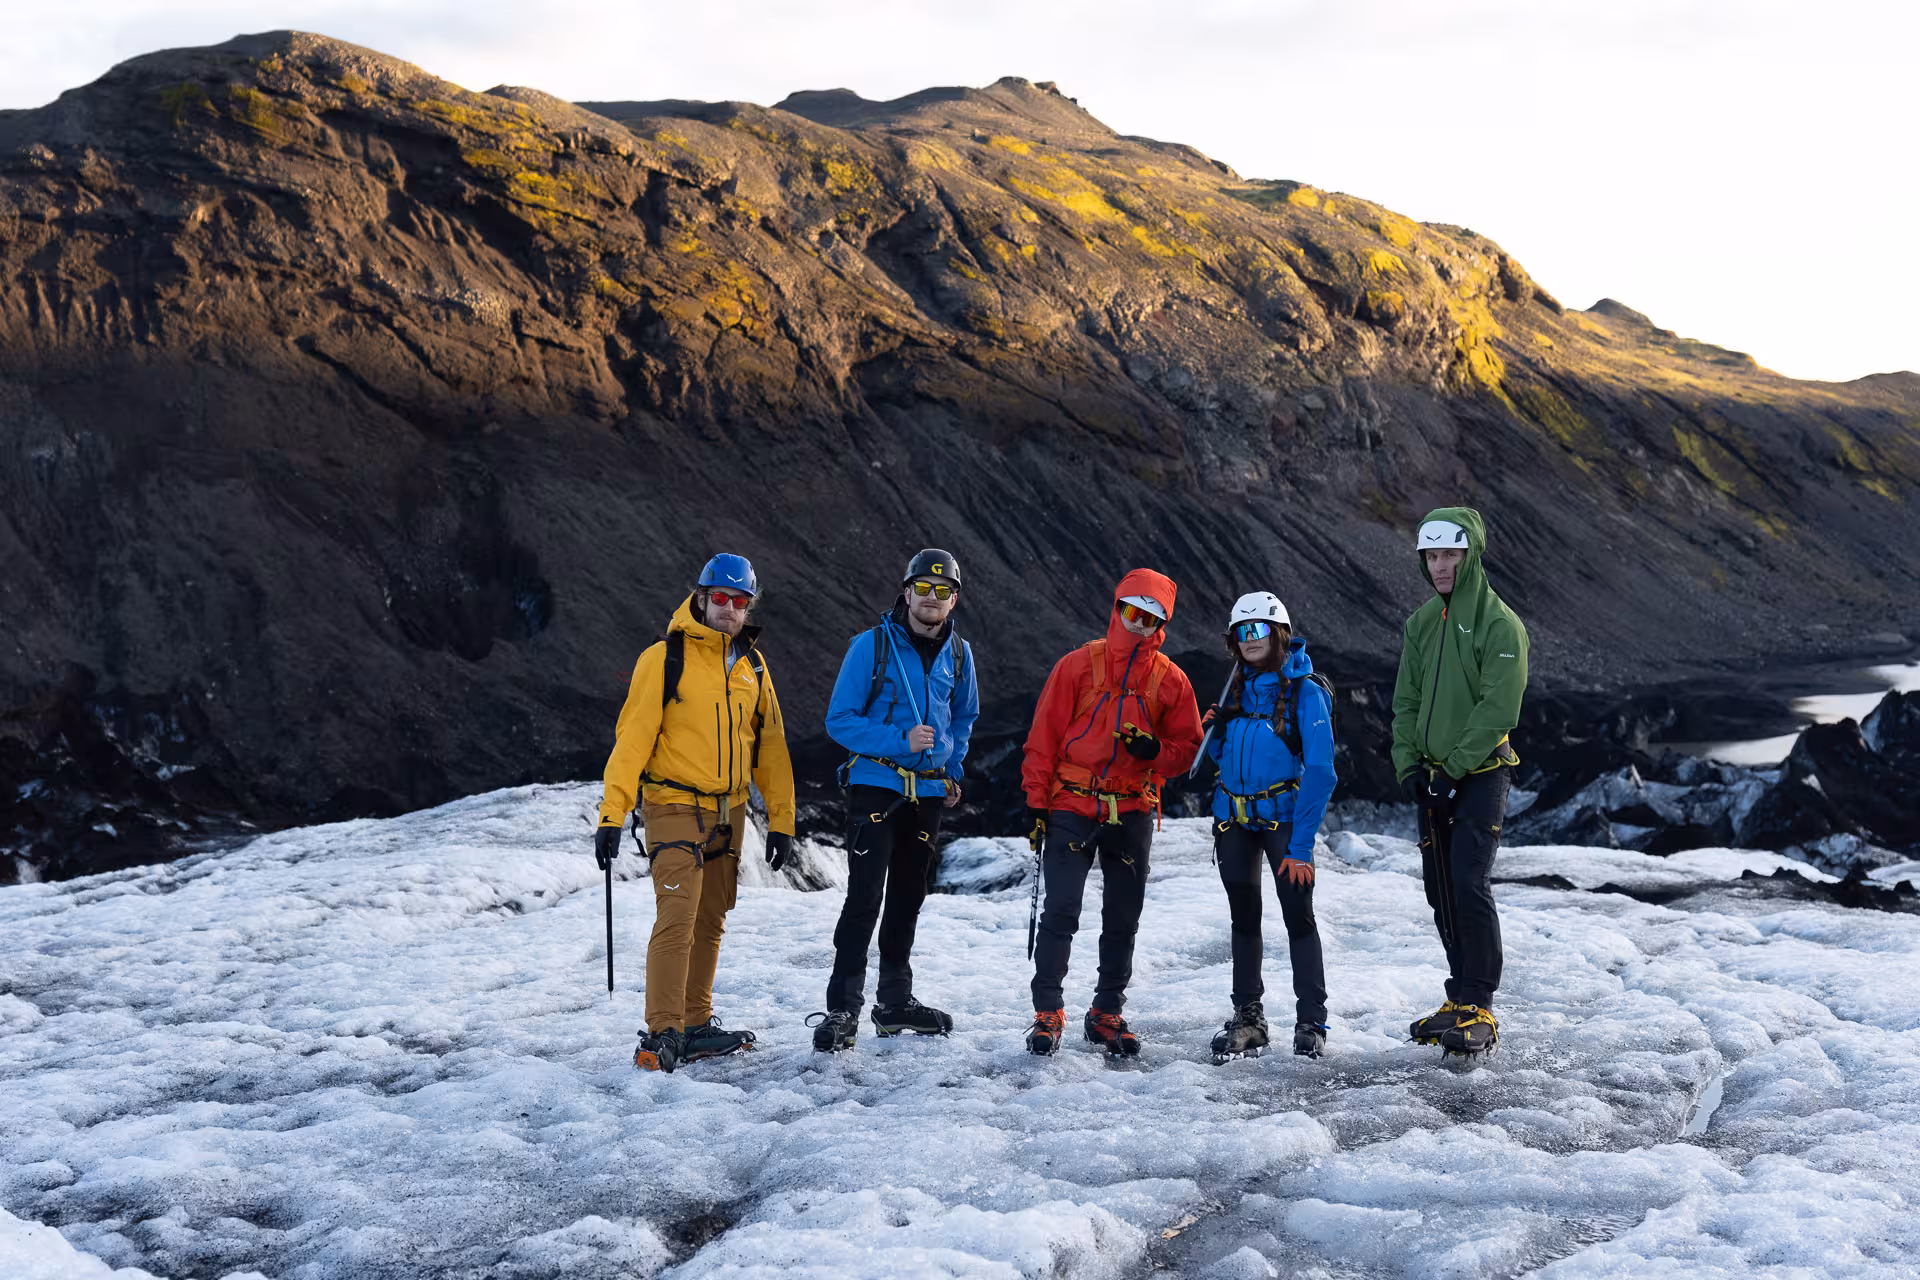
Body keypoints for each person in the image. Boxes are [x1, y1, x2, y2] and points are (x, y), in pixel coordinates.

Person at [595, 553, 797, 1073]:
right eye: (721, 598)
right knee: (678, 917)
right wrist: (612, 813)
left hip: (730, 812)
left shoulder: (753, 665)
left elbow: (770, 747)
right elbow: (632, 739)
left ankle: (694, 1023)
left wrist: (782, 819)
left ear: (749, 606)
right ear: (702, 598)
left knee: (709, 920)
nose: (729, 609)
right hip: (673, 804)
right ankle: (662, 1031)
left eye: (740, 601)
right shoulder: (664, 660)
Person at [1021, 569, 1203, 1057]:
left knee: (1122, 916)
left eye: (1151, 617)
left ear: (1162, 621)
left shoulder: (1171, 680)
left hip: (1132, 807)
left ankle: (1107, 1011)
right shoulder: (1076, 667)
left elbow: (1188, 749)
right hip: (1071, 803)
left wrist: (1153, 751)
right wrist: (1037, 804)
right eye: (1132, 612)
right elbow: (1043, 739)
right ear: (1117, 607)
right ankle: (1048, 1012)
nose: (1139, 624)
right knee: (1060, 909)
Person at [809, 549, 980, 1052]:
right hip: (877, 786)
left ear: (954, 599)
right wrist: (900, 741)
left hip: (926, 792)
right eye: (922, 589)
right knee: (864, 899)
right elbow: (839, 720)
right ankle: (843, 1010)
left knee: (908, 898)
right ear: (906, 592)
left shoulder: (960, 655)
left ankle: (894, 1004)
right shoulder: (871, 647)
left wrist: (950, 769)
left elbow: (964, 717)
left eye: (942, 591)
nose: (932, 599)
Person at [1391, 509, 1529, 1056]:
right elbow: (1405, 702)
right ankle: (1459, 995)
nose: (1440, 565)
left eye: (1450, 554)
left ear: (1470, 555)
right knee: (1440, 888)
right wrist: (1409, 767)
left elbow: (1498, 709)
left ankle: (1481, 1006)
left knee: (1469, 882)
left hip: (1482, 774)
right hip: (1433, 778)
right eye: (1431, 555)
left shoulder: (1500, 624)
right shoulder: (1422, 623)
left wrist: (1453, 771)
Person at [1204, 591, 1337, 1061]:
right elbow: (1226, 760)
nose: (1250, 639)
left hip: (1284, 822)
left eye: (1258, 629)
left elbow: (1321, 771)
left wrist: (1301, 848)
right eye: (1241, 632)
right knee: (1244, 919)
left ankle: (1311, 1021)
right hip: (1235, 820)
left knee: (1298, 917)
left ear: (1279, 634)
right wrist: (1217, 733)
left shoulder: (1306, 692)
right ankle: (1249, 1018)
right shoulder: (1236, 691)